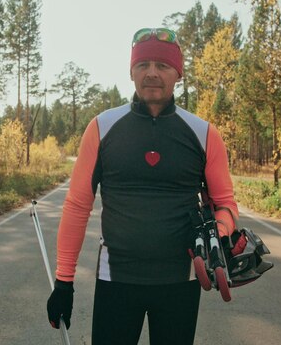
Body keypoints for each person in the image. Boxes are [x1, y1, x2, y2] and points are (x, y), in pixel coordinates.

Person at [46, 27, 240, 345]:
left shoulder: (204, 134)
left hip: (181, 282)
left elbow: (226, 205)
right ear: (131, 70)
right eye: (143, 64)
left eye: (162, 65)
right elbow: (78, 205)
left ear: (178, 72)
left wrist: (219, 230)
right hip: (116, 282)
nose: (151, 73)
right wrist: (64, 281)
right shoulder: (102, 128)